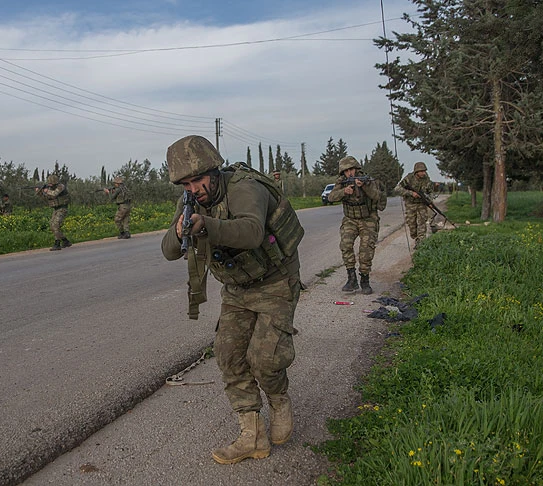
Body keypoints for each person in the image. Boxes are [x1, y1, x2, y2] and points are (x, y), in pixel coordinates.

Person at [160, 135, 304, 465]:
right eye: (185, 183)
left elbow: (252, 232)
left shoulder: (244, 187)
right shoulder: (189, 202)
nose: (193, 188)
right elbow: (168, 250)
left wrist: (207, 225)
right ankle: (252, 435)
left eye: (198, 179)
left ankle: (278, 397)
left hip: (275, 281)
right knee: (228, 356)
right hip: (237, 290)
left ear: (215, 170)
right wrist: (181, 230)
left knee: (265, 359)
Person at [326, 156, 382, 295]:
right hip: (350, 219)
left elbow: (376, 196)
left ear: (357, 168)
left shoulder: (367, 181)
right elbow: (330, 197)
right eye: (346, 170)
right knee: (345, 245)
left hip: (367, 218)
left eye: (351, 169)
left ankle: (365, 279)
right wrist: (344, 191)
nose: (350, 173)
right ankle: (351, 278)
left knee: (366, 249)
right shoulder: (342, 182)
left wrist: (364, 186)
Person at [395, 162, 435, 249]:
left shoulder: (426, 180)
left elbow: (431, 192)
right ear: (417, 172)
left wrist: (430, 201)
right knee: (412, 225)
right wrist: (410, 193)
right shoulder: (409, 178)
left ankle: (421, 243)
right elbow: (397, 189)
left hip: (421, 204)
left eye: (424, 171)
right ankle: (416, 238)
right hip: (410, 204)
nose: (423, 173)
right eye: (421, 171)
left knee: (422, 224)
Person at [36, 174, 72, 251]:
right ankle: (65, 241)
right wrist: (40, 192)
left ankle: (57, 243)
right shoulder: (50, 188)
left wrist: (47, 191)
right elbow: (46, 198)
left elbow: (54, 193)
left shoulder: (60, 186)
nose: (49, 184)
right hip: (56, 209)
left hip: (62, 208)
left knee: (55, 225)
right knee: (52, 226)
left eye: (51, 183)